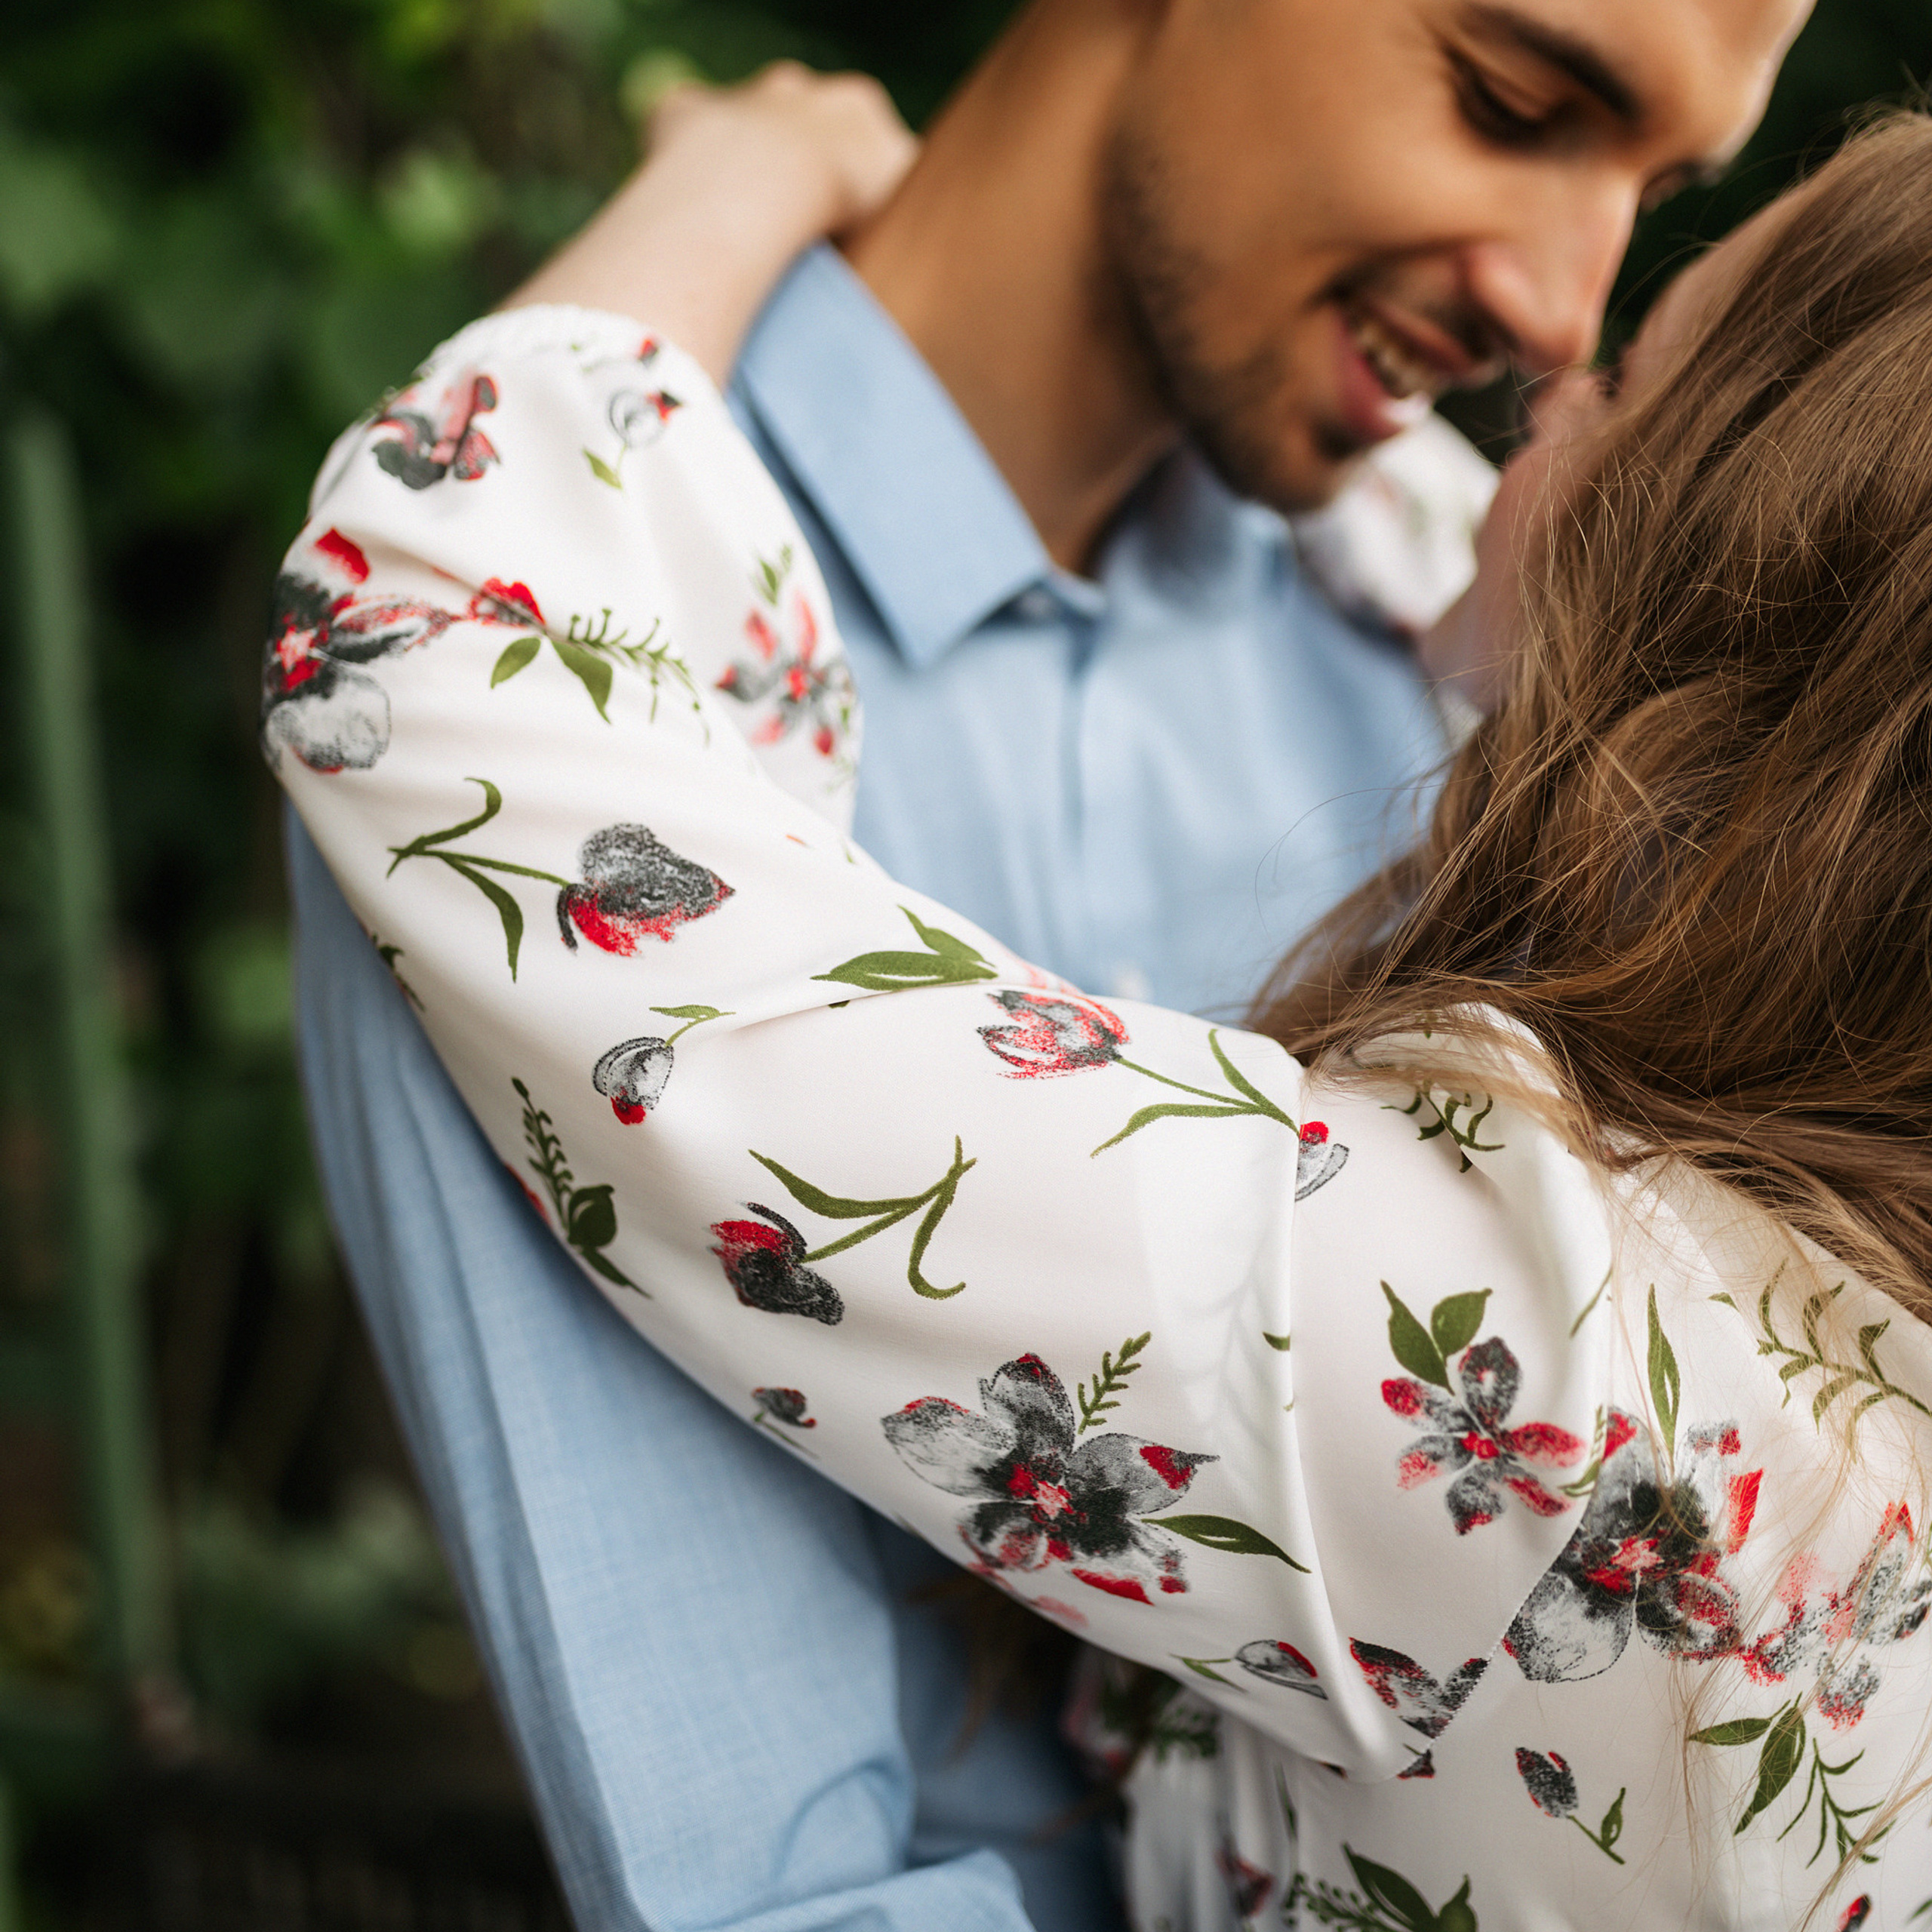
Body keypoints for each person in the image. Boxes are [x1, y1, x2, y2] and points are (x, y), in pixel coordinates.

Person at [282, 2, 1807, 1924]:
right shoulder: (547, 714)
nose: (1568, 313)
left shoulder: (1466, 653)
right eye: (1508, 99)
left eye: (1657, 190)